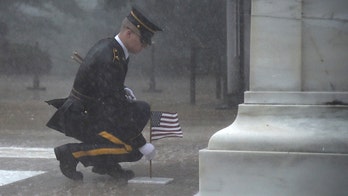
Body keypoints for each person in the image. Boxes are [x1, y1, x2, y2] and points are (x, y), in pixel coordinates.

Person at [46, 7, 162, 181]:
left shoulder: (112, 48)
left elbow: (107, 93)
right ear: (129, 34)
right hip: (83, 117)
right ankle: (71, 153)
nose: (144, 46)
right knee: (132, 149)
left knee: (141, 109)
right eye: (143, 40)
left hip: (90, 112)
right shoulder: (111, 57)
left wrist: (121, 90)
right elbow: (113, 109)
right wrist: (141, 143)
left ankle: (104, 164)